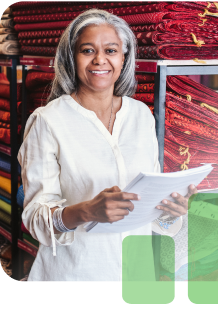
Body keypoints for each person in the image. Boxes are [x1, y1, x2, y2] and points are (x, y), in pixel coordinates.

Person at [18, 9, 198, 282]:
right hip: (73, 273)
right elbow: (34, 218)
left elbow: (151, 213)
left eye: (111, 50)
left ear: (123, 58)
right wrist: (86, 211)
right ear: (72, 57)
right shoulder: (48, 121)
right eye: (87, 50)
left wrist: (169, 211)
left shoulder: (140, 115)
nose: (100, 59)